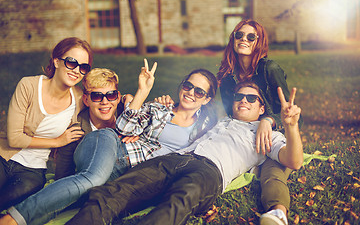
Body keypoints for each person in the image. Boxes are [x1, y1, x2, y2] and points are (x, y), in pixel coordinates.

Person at [0, 61, 218, 225]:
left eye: (199, 91)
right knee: (92, 179)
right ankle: (13, 218)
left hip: (132, 175)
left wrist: (202, 197)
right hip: (111, 145)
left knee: (78, 199)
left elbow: (198, 163)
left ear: (207, 98)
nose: (191, 93)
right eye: (188, 86)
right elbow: (124, 129)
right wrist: (143, 90)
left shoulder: (205, 128)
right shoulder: (159, 108)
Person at [64, 81, 303, 225]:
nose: (244, 101)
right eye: (240, 96)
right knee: (114, 191)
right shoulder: (219, 120)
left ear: (262, 108)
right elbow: (186, 115)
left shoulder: (266, 133)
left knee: (176, 203)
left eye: (252, 98)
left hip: (210, 172)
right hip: (174, 160)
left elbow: (294, 160)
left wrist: (290, 126)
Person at [217, 19, 303, 224]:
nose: (244, 39)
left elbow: (288, 111)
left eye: (250, 36)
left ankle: (277, 214)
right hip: (243, 134)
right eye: (239, 35)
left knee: (273, 172)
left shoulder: (269, 69)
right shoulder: (227, 77)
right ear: (233, 39)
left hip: (274, 134)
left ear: (259, 42)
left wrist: (268, 120)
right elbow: (232, 113)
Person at [0, 37, 92, 212]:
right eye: (72, 62)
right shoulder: (28, 85)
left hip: (32, 172)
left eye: (83, 67)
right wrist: (57, 142)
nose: (77, 71)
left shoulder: (79, 98)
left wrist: (129, 99)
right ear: (56, 61)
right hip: (3, 156)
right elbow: (14, 138)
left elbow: (104, 103)